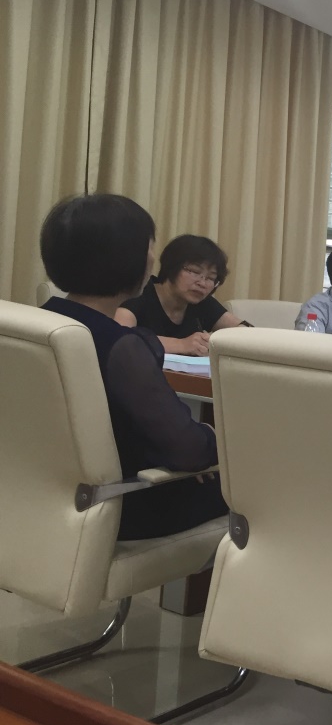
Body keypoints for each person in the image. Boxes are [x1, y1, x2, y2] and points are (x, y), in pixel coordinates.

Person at [40, 195, 228, 540]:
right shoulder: (122, 346)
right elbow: (188, 451)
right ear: (128, 259)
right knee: (255, 489)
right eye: (150, 247)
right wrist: (211, 437)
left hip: (38, 498)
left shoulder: (37, 324)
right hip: (119, 504)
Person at [116, 235, 247, 356]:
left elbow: (246, 332)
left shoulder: (201, 302)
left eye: (211, 278)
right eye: (195, 271)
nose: (202, 283)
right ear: (171, 266)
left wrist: (214, 342)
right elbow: (119, 335)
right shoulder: (139, 292)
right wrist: (181, 345)